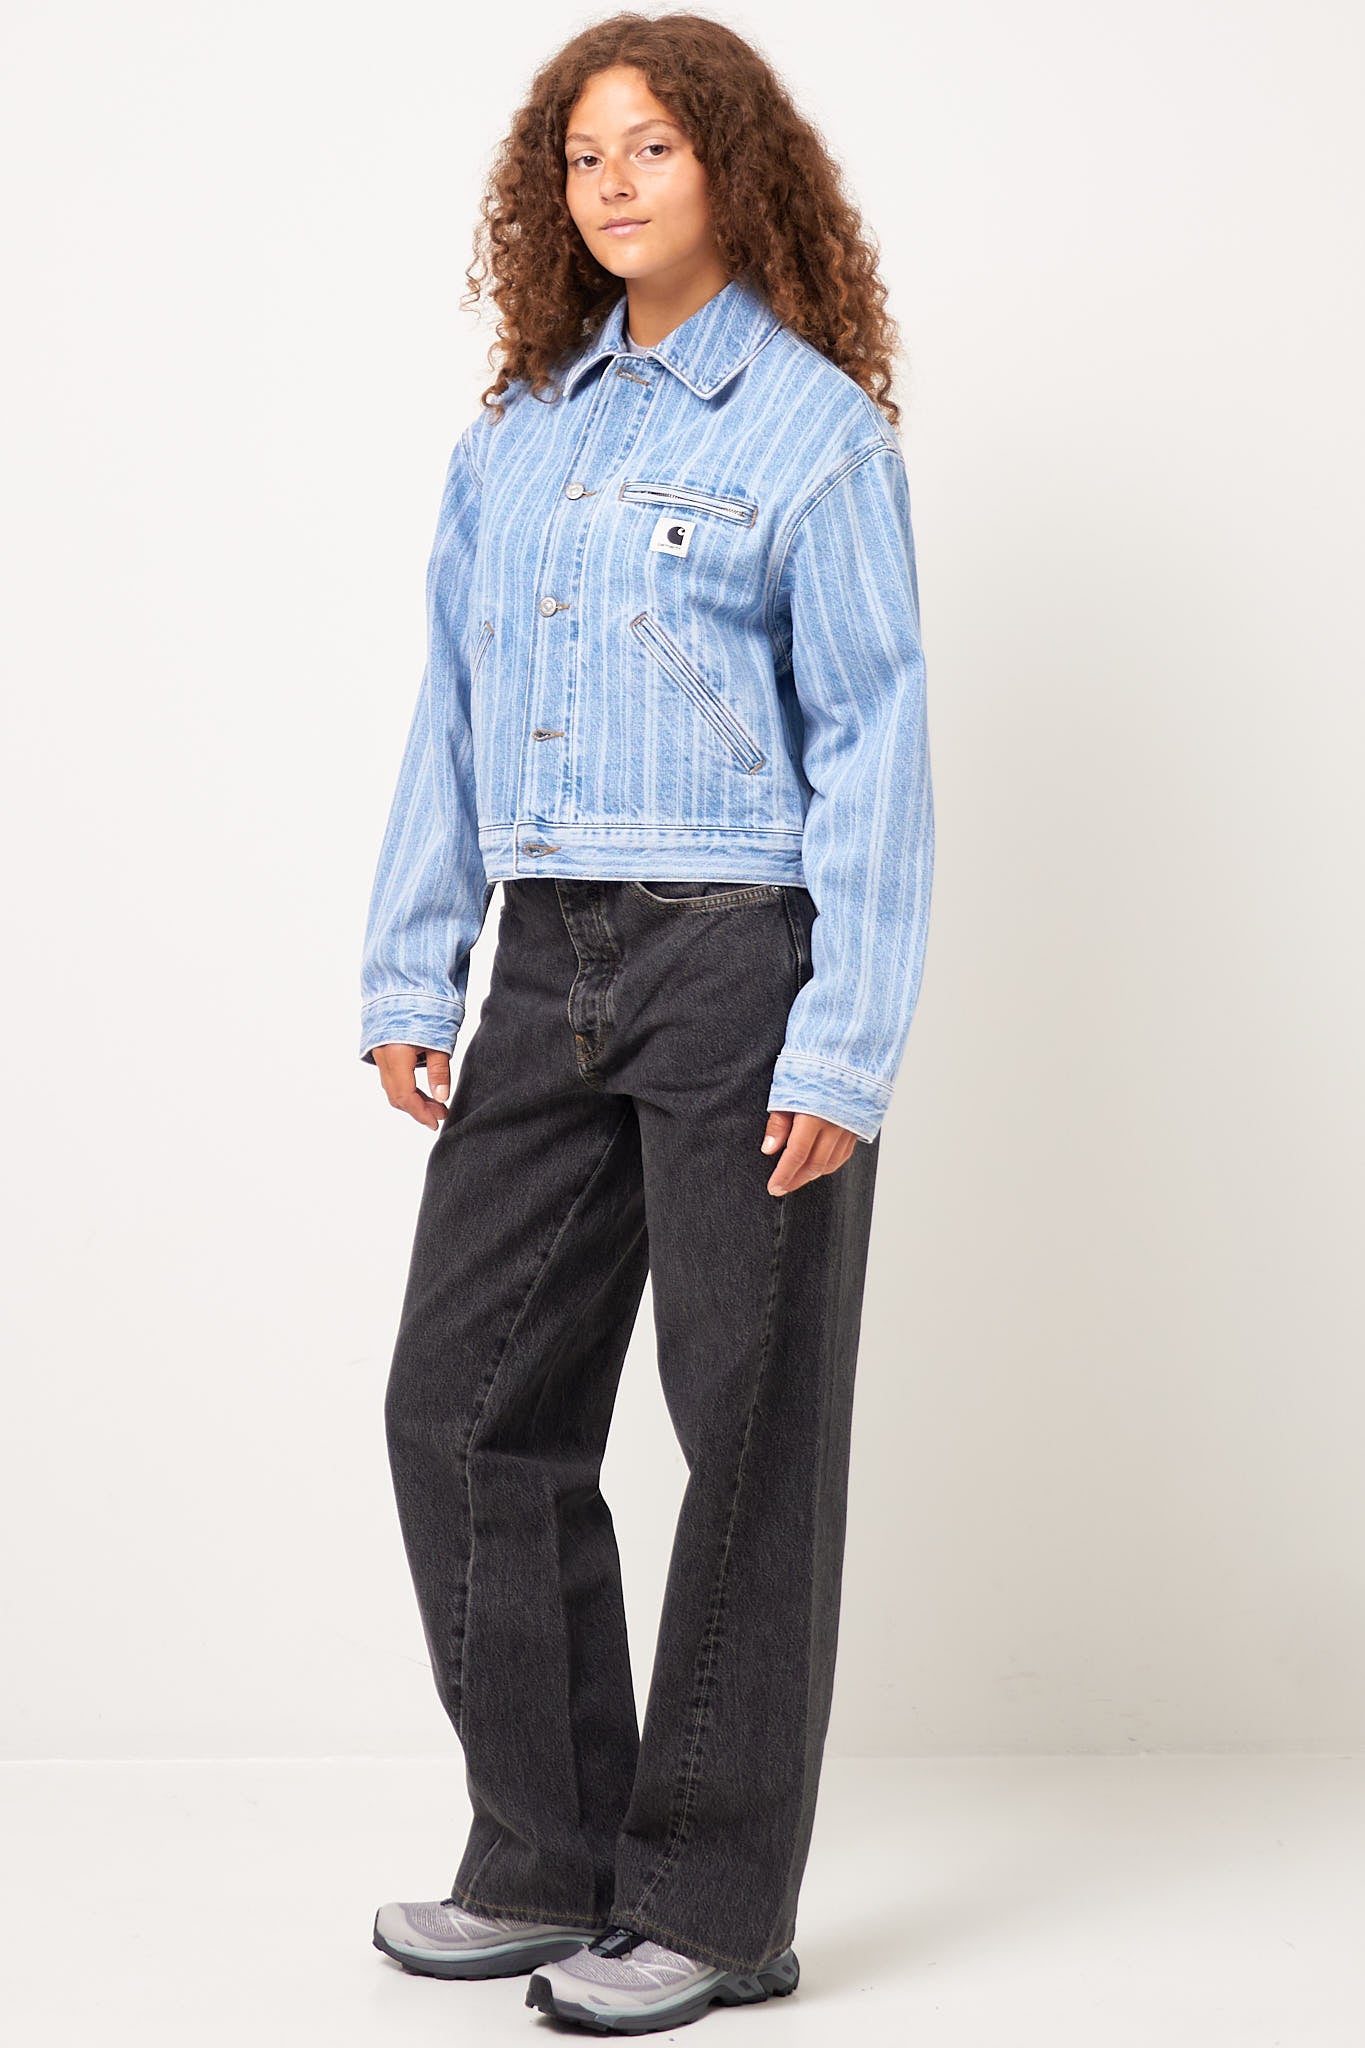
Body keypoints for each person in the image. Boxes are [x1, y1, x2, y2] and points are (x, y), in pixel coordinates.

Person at [360, 12, 934, 2034]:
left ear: (732, 171)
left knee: (747, 1432)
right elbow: (448, 708)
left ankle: (710, 1904)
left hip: (734, 962)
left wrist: (842, 1042)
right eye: (582, 153)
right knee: (460, 1403)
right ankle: (542, 1852)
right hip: (544, 954)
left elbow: (873, 743)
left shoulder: (812, 434)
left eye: (653, 148)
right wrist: (412, 962)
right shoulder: (517, 430)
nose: (611, 183)